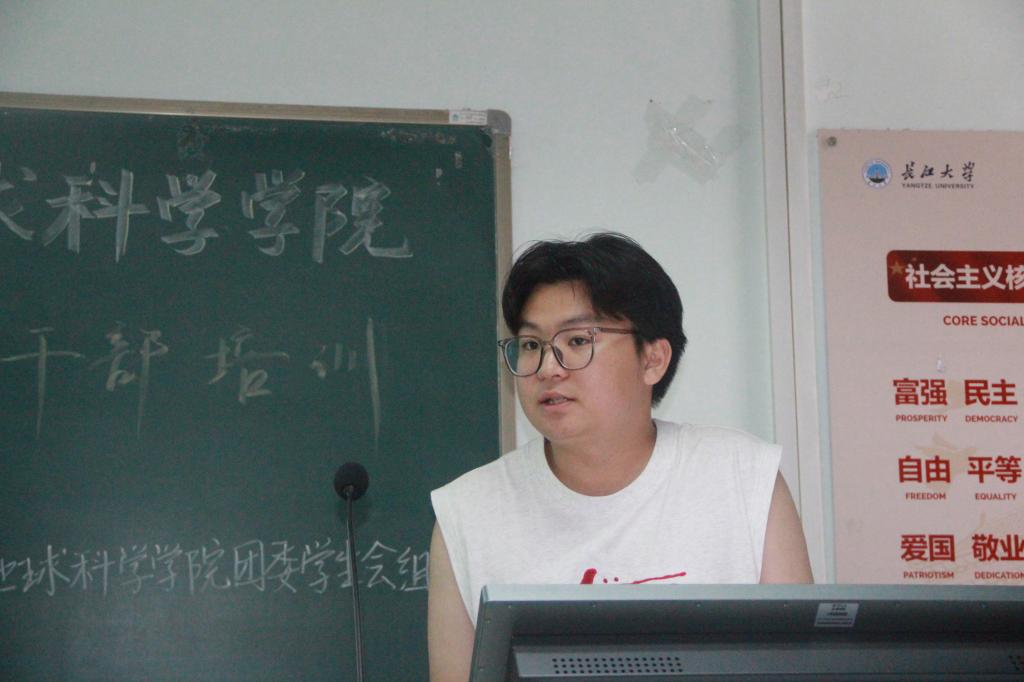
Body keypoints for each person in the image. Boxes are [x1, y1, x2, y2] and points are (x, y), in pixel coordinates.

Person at [427, 233, 812, 681]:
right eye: (531, 344)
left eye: (577, 341)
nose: (548, 368)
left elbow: (802, 666)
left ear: (653, 359)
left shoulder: (744, 479)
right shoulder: (468, 514)